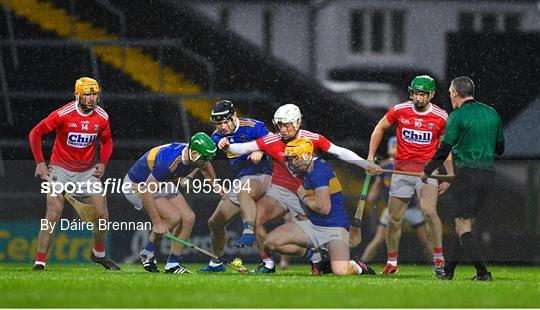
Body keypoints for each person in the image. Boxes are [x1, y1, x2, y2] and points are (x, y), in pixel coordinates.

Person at [219, 103, 382, 274]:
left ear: (297, 122)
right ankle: (270, 263)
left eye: (286, 124)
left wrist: (364, 163)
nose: (283, 129)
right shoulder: (272, 140)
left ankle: (327, 258)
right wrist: (228, 147)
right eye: (279, 125)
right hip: (282, 190)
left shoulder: (312, 139)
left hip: (306, 190)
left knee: (320, 223)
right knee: (257, 218)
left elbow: (338, 151)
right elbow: (245, 148)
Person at [29, 77, 119, 270]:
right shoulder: (63, 114)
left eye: (94, 94)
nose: (91, 98)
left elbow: (107, 142)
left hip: (87, 173)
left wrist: (103, 163)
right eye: (87, 94)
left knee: (102, 216)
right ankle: (40, 261)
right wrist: (40, 163)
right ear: (77, 94)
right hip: (60, 171)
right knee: (53, 214)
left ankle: (99, 254)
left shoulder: (102, 117)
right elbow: (35, 133)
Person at [367, 75, 453, 277]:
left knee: (429, 212)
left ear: (431, 95)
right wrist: (370, 157)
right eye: (416, 93)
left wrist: (449, 173)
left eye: (423, 94)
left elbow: (445, 147)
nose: (418, 97)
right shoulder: (399, 110)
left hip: (427, 172)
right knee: (394, 219)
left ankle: (439, 259)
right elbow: (380, 127)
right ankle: (391, 262)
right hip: (401, 172)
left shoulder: (441, 116)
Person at [421, 76, 505, 281]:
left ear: (456, 93)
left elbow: (444, 149)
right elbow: (500, 149)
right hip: (489, 176)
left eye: (450, 92)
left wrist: (428, 169)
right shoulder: (492, 113)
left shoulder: (457, 116)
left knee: (462, 226)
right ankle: (448, 271)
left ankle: (482, 273)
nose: (450, 95)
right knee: (464, 225)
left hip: (467, 175)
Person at [264, 138, 375, 276]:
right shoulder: (306, 169)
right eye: (290, 159)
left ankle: (358, 266)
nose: (292, 163)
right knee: (270, 243)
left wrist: (304, 196)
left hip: (334, 227)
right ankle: (316, 256)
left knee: (341, 271)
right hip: (312, 224)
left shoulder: (319, 172)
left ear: (307, 155)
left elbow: (324, 208)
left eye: (295, 158)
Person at [123, 133, 220, 274]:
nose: (205, 163)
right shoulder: (169, 161)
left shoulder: (194, 155)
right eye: (204, 159)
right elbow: (147, 192)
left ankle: (173, 264)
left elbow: (206, 165)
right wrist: (157, 223)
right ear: (193, 154)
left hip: (161, 181)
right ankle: (147, 252)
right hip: (138, 185)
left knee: (188, 217)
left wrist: (215, 185)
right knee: (173, 217)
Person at [199, 100, 272, 272]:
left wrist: (260, 151)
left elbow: (275, 143)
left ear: (234, 116)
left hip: (263, 176)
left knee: (244, 191)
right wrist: (208, 181)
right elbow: (201, 159)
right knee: (215, 222)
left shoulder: (254, 126)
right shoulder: (217, 136)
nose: (223, 127)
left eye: (226, 122)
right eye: (219, 123)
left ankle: (248, 231)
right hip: (241, 182)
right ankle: (216, 263)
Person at [360, 137, 433, 263]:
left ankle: (437, 265)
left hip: (411, 209)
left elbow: (418, 186)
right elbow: (374, 192)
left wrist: (421, 200)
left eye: (397, 145)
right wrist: (370, 192)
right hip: (392, 209)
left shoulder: (410, 165)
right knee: (378, 240)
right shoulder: (383, 168)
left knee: (425, 240)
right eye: (392, 145)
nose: (394, 147)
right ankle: (362, 264)